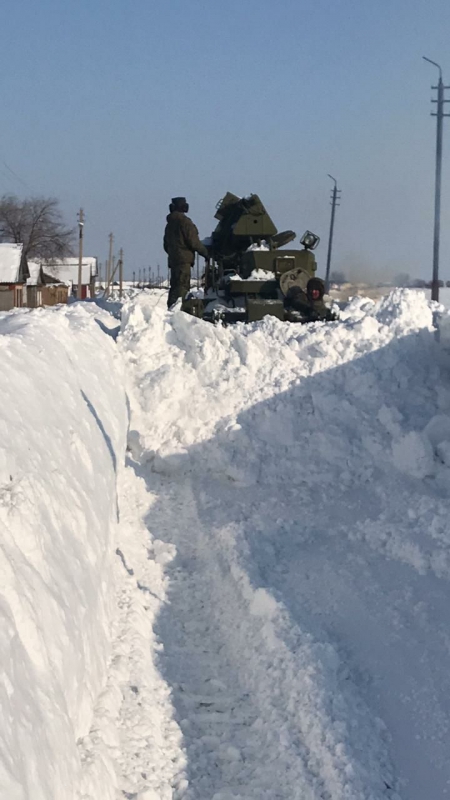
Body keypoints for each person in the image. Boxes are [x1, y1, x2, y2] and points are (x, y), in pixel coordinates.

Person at [163, 197, 209, 308]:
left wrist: (174, 253)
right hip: (184, 261)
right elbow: (194, 242)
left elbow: (165, 245)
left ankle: (171, 310)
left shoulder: (169, 224)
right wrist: (207, 253)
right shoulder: (185, 223)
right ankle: (179, 313)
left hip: (174, 261)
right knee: (182, 288)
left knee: (174, 287)